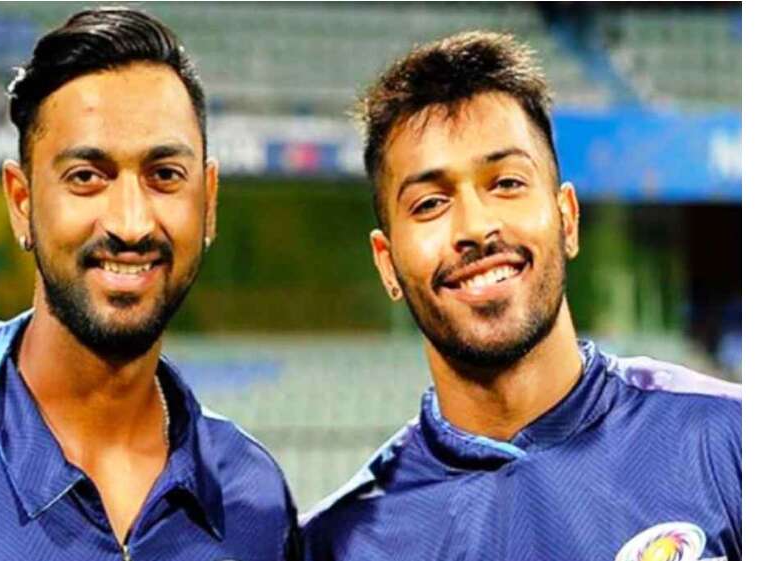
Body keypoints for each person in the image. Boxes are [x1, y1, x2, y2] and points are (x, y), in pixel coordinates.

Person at [302, 31, 740, 561]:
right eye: (430, 203)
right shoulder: (337, 544)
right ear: (387, 263)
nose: (475, 227)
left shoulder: (733, 441)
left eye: (507, 183)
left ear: (567, 218)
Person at [0, 8, 298, 560]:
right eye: (86, 177)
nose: (131, 224)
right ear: (21, 202)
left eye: (165, 175)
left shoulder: (256, 497)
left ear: (208, 202)